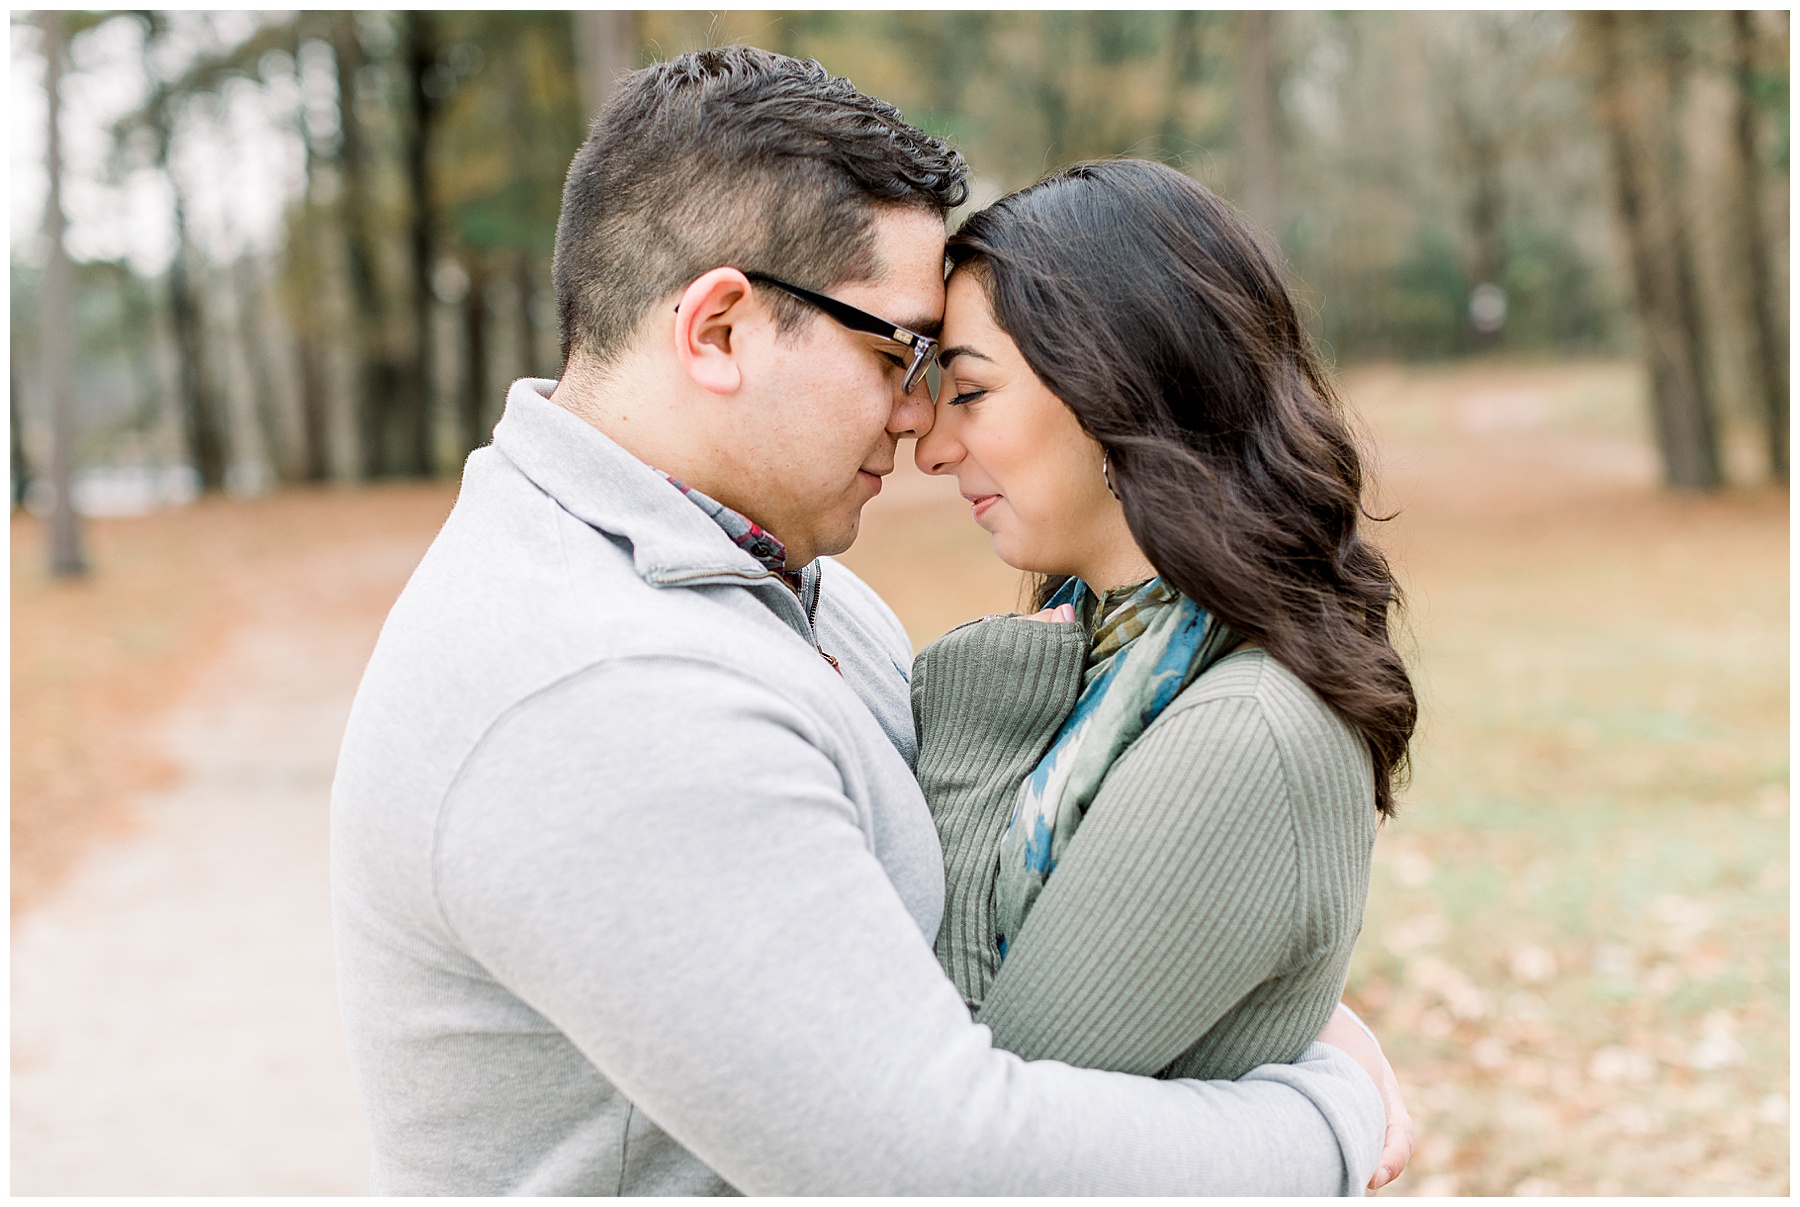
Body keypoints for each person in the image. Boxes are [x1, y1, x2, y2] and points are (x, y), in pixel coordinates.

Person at [331, 47, 1404, 1195]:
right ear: (720, 331)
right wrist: (1330, 1114)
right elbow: (932, 1169)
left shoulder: (772, 580)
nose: (917, 419)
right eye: (897, 350)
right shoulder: (600, 687)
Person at [910, 157, 1419, 1146]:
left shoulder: (1243, 733)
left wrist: (968, 753)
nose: (929, 444)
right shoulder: (1114, 663)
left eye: (967, 391)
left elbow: (958, 1139)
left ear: (1112, 386)